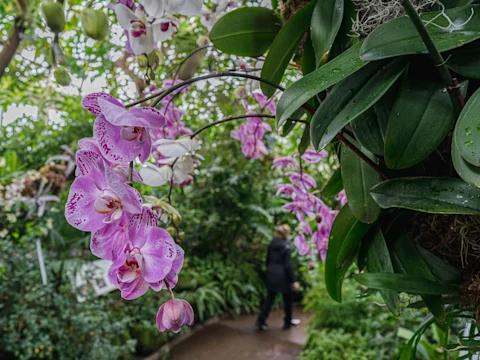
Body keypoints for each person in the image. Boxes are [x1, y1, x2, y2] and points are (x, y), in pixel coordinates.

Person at [256, 224, 301, 330]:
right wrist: (293, 281)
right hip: (283, 276)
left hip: (271, 274)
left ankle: (261, 321)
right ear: (286, 234)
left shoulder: (271, 244)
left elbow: (267, 260)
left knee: (270, 298)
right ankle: (288, 321)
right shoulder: (286, 246)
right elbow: (288, 265)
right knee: (288, 299)